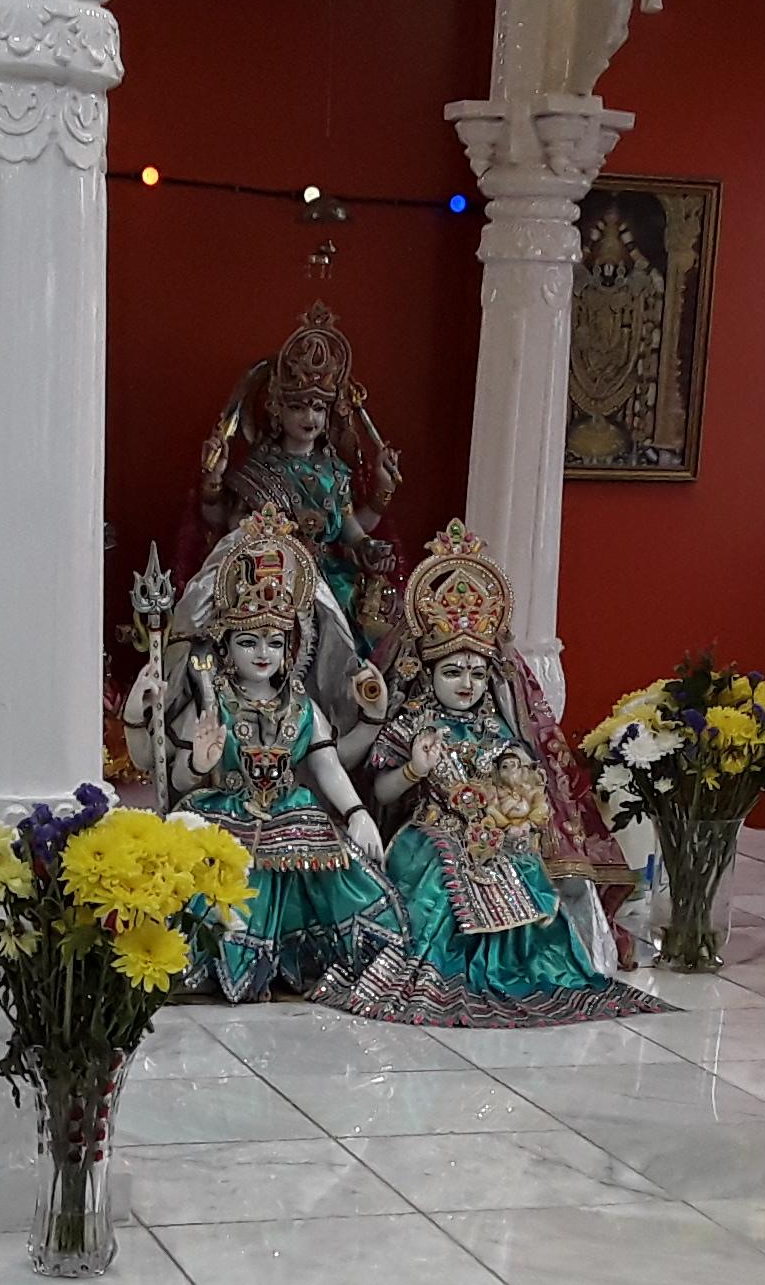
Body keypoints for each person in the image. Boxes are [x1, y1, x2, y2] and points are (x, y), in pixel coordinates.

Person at [340, 522, 663, 1026]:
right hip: (431, 834)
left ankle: (524, 969)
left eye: (476, 673)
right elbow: (381, 792)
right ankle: (448, 970)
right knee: (439, 881)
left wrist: (520, 800)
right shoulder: (413, 723)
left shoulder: (499, 726)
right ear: (427, 672)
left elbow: (525, 788)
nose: (466, 684)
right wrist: (414, 769)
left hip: (498, 836)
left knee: (527, 872)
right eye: (452, 672)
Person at [125, 510, 402, 1004]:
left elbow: (327, 765)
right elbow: (175, 776)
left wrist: (357, 812)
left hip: (290, 813)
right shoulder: (212, 700)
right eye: (248, 641)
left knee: (324, 847)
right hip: (224, 813)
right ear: (226, 646)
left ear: (290, 648)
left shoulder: (302, 706)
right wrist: (199, 761)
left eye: (274, 642)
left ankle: (302, 957)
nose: (262, 654)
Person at [191, 302, 402, 648]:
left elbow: (350, 528)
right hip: (271, 576)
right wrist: (213, 480)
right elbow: (225, 524)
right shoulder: (258, 470)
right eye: (298, 407)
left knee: (362, 613)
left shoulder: (335, 472)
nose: (310, 418)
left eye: (318, 408)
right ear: (277, 410)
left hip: (330, 580)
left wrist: (379, 501)